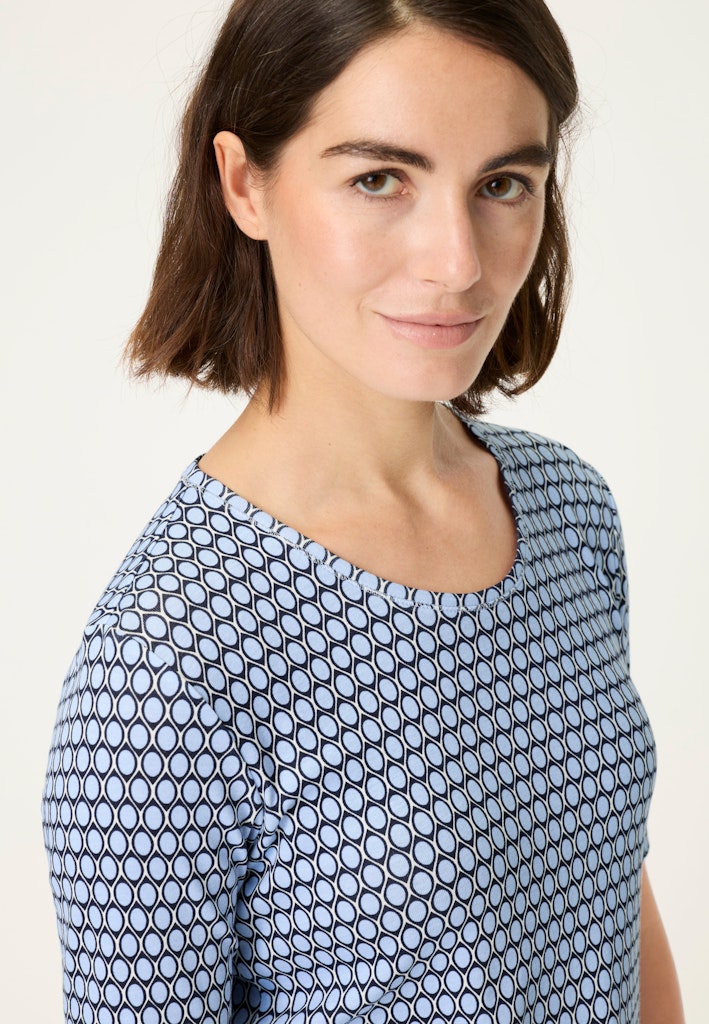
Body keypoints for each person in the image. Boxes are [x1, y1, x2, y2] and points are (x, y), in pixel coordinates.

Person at [42, 1, 685, 1022]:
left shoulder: (566, 509)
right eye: (379, 178)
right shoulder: (168, 663)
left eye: (502, 184)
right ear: (244, 183)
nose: (457, 261)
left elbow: (608, 888)